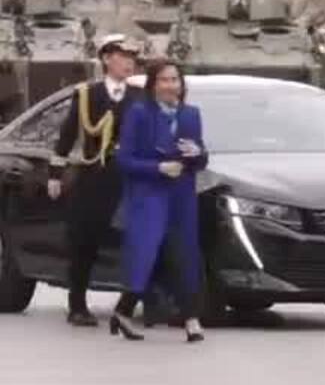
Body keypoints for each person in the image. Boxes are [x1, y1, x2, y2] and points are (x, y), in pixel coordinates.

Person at [109, 59, 208, 344]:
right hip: (148, 195)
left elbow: (202, 159)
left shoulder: (191, 115)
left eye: (175, 80)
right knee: (149, 255)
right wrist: (158, 168)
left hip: (181, 196)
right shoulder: (139, 113)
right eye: (164, 80)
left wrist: (196, 154)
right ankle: (187, 317)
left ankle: (186, 317)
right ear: (153, 85)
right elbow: (124, 160)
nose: (170, 86)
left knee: (183, 254)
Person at [49, 35, 141, 326]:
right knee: (84, 243)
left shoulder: (139, 97)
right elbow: (66, 135)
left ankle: (133, 305)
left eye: (132, 57)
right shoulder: (87, 93)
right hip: (94, 176)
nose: (129, 62)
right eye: (123, 56)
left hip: (128, 178)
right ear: (106, 59)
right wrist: (55, 174)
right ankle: (77, 306)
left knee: (136, 241)